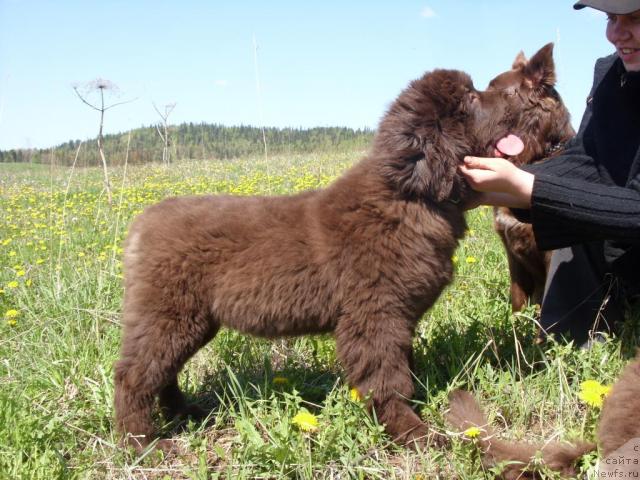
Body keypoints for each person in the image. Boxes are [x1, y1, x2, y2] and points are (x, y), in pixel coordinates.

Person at [460, 0, 640, 346]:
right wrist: (485, 191)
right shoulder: (613, 77)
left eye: (634, 17)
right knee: (574, 214)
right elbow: (586, 161)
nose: (616, 33)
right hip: (625, 267)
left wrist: (527, 185)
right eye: (611, 17)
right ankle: (569, 345)